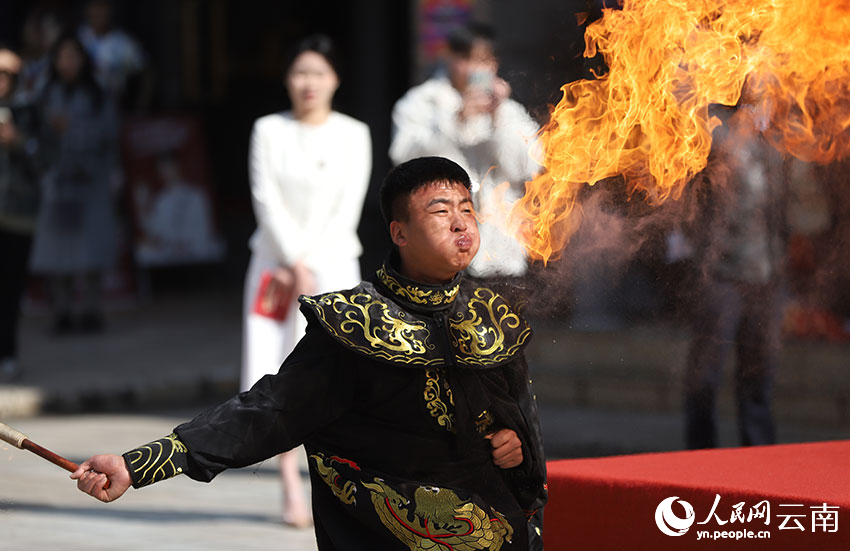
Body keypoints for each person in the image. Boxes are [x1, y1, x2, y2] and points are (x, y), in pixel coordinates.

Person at [72, 156, 548, 551]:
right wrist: (140, 465)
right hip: (394, 533)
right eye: (441, 211)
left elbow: (516, 416)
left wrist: (513, 444)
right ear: (399, 233)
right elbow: (270, 411)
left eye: (467, 208)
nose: (461, 222)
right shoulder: (355, 325)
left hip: (493, 528)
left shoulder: (491, 313)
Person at [241, 34, 372, 528]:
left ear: (335, 78)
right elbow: (264, 197)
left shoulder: (354, 133)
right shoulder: (267, 130)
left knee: (335, 374)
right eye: (300, 72)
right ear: (286, 79)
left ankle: (335, 484)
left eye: (319, 72)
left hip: (334, 268)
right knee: (275, 371)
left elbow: (348, 206)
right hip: (275, 269)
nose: (309, 83)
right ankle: (289, 482)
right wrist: (294, 260)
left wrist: (311, 262)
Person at [389, 22, 540, 279]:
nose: (474, 69)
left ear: (494, 64)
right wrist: (456, 121)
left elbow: (528, 168)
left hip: (499, 250)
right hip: (439, 248)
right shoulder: (421, 102)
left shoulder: (508, 111)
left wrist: (498, 118)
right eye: (466, 59)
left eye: (483, 61)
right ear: (450, 57)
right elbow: (404, 161)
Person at [683, 94, 789, 449]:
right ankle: (699, 458)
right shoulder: (715, 132)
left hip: (767, 275)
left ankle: (760, 463)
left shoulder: (772, 135)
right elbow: (688, 196)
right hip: (721, 274)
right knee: (705, 378)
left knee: (759, 378)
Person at [29, 33, 119, 334]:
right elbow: (33, 135)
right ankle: (63, 311)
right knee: (58, 250)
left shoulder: (97, 93)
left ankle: (91, 310)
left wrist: (76, 129)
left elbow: (110, 134)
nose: (69, 62)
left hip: (91, 180)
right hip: (55, 181)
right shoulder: (44, 93)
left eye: (74, 56)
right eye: (63, 56)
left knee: (91, 247)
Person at [0, 46, 40, 381]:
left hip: (17, 215)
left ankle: (8, 353)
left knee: (10, 288)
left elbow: (46, 158)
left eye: (7, 74)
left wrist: (19, 141)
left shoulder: (28, 112)